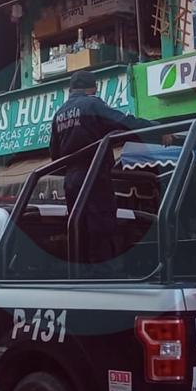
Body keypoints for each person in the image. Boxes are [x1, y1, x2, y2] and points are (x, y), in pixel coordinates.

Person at [49, 69, 153, 267]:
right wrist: (155, 130)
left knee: (79, 231)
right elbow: (124, 122)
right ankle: (103, 275)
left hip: (71, 180)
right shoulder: (92, 104)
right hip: (94, 175)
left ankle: (83, 274)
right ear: (93, 88)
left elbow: (55, 155)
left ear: (71, 90)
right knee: (102, 229)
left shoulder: (59, 114)